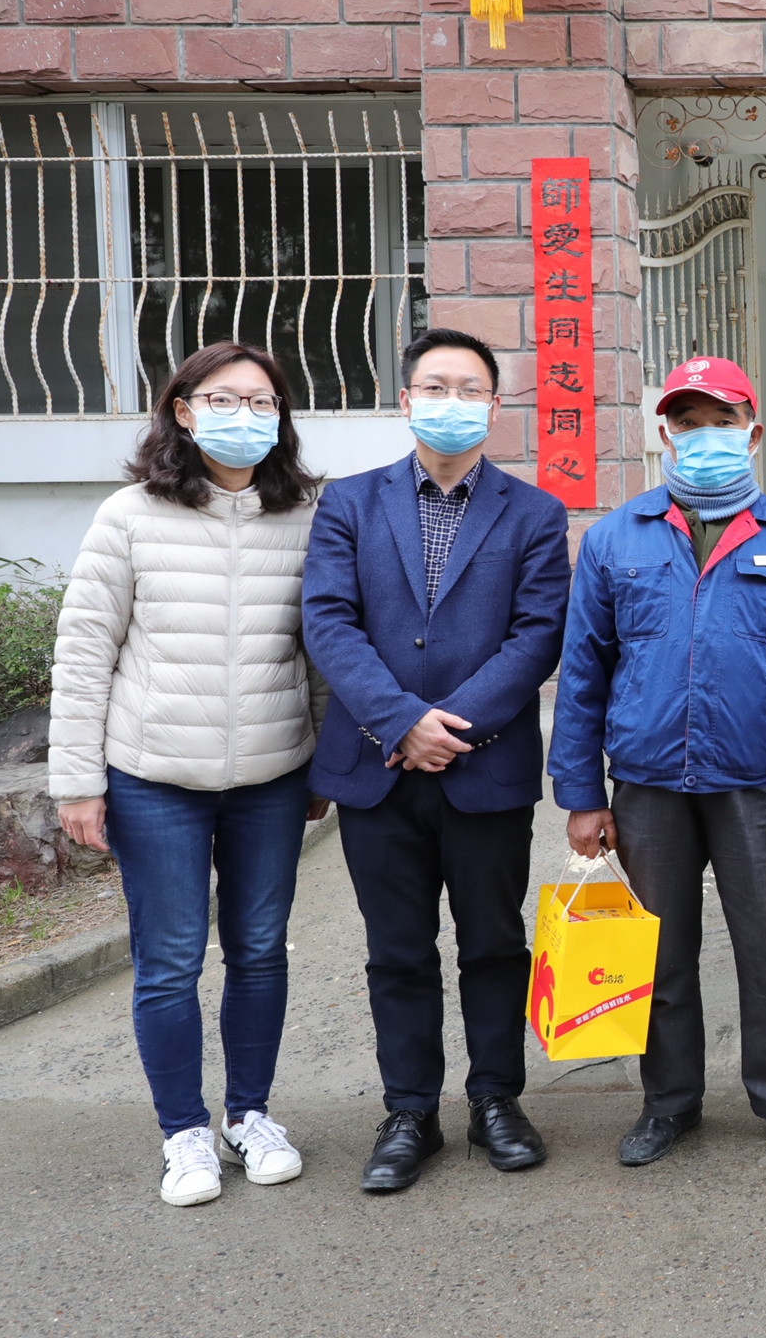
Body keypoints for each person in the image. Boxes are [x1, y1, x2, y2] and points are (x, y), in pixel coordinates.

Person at [550, 356, 766, 1167]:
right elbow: (583, 672)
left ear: (753, 435)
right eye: (688, 423)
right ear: (666, 436)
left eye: (723, 422)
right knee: (657, 953)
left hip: (752, 782)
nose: (705, 437)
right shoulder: (616, 538)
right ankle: (668, 1104)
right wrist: (581, 793)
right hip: (648, 783)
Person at [48, 341, 327, 1208]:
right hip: (153, 776)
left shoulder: (307, 515)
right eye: (223, 399)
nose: (245, 416)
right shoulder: (130, 515)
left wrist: (327, 761)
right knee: (169, 961)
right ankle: (184, 1133)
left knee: (259, 950)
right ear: (182, 409)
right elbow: (85, 652)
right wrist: (77, 780)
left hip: (272, 775)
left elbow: (323, 648)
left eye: (262, 402)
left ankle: (250, 1116)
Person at [300, 328, 573, 1193]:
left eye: (470, 389)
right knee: (398, 951)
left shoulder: (535, 513)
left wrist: (450, 728)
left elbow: (537, 635)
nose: (452, 402)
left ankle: (496, 1099)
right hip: (376, 769)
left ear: (494, 406)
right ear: (406, 399)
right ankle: (409, 1111)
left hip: (484, 768)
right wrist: (400, 722)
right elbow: (328, 622)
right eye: (435, 386)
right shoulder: (349, 503)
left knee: (495, 942)